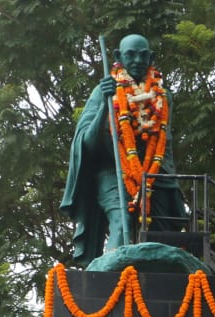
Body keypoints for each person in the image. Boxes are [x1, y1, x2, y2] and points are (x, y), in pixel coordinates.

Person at [61, 32, 185, 264]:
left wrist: (167, 179)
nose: (137, 60)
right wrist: (104, 108)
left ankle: (153, 278)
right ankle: (111, 275)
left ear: (151, 58)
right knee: (122, 221)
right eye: (131, 54)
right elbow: (86, 142)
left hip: (154, 173)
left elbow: (162, 141)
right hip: (113, 170)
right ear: (119, 56)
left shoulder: (162, 95)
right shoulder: (104, 91)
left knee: (160, 230)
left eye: (143, 55)